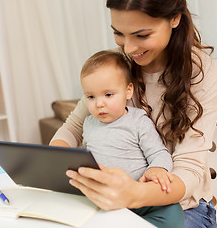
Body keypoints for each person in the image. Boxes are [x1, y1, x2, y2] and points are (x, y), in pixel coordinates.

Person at [50, 0, 217, 228]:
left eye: (141, 35)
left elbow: (189, 171)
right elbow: (73, 128)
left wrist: (133, 194)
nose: (129, 49)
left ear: (175, 19)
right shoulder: (116, 64)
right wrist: (54, 161)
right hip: (111, 202)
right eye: (118, 33)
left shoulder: (202, 73)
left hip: (181, 208)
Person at [79, 50, 184, 228]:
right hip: (106, 199)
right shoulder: (89, 124)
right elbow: (86, 156)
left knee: (173, 214)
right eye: (91, 97)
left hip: (142, 199)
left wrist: (157, 168)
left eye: (108, 95)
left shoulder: (138, 120)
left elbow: (159, 152)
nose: (99, 104)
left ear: (128, 91)